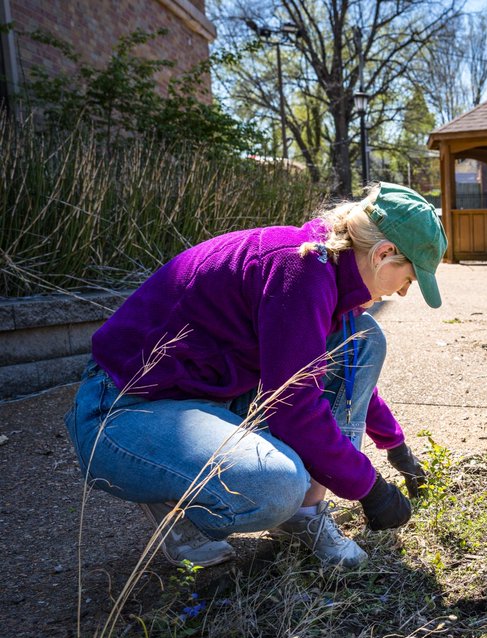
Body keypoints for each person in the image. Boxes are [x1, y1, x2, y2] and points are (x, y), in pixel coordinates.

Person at [64, 183, 446, 569]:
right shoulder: (298, 271)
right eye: (409, 279)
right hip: (123, 413)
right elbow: (294, 409)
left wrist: (396, 448)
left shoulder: (325, 271)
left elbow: (339, 379)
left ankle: (306, 515)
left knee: (363, 339)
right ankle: (178, 508)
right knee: (277, 486)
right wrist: (370, 489)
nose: (401, 293)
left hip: (209, 399)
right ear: (383, 254)